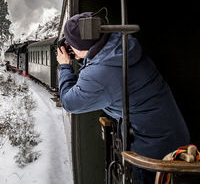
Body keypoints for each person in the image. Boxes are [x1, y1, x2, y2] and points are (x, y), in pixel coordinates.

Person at [57, 12, 190, 184]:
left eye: (71, 45)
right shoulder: (120, 43)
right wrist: (84, 55)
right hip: (171, 135)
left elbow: (69, 103)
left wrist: (66, 66)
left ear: (81, 47)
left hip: (151, 153)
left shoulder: (99, 74)